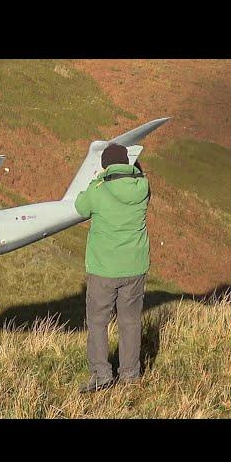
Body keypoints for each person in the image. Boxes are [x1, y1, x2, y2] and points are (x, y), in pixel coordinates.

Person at [74, 142, 151, 393]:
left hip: (103, 269)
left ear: (106, 166)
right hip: (135, 267)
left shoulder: (98, 190)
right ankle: (130, 375)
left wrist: (96, 181)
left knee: (98, 322)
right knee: (130, 321)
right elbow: (139, 182)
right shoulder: (143, 187)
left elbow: (80, 207)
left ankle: (101, 375)